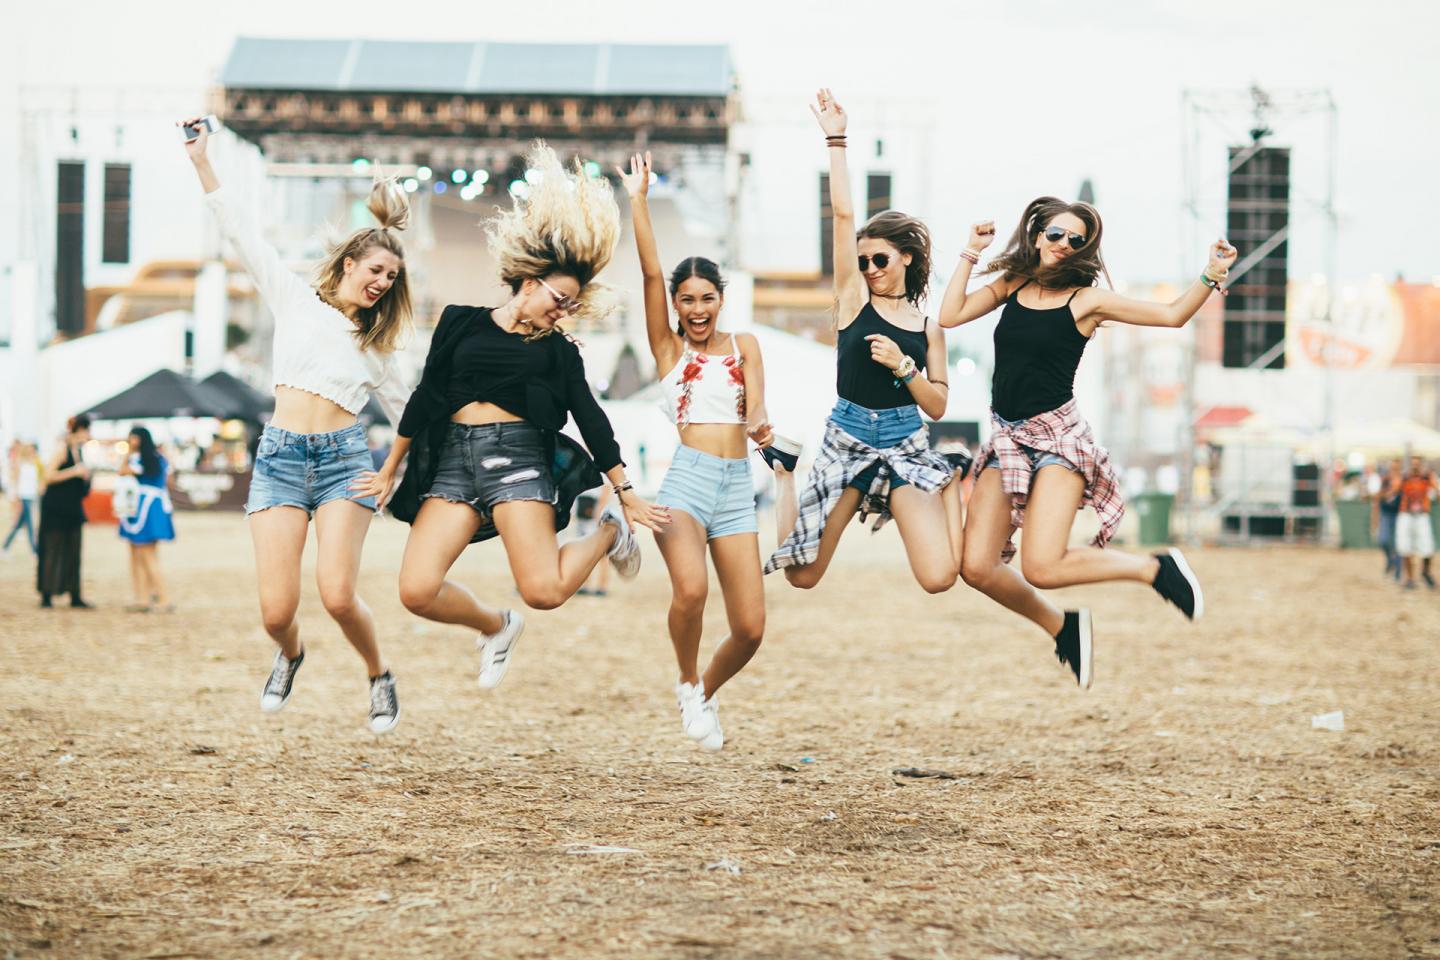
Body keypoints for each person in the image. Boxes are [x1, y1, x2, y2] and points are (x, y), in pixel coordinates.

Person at [383, 142, 669, 692]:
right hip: (453, 464)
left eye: (571, 304)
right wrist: (391, 466)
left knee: (545, 591)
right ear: (531, 280)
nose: (562, 309)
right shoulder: (459, 322)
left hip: (518, 461)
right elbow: (427, 394)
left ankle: (606, 536)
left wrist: (625, 490)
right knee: (416, 590)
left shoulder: (558, 351)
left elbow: (589, 417)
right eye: (559, 297)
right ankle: (496, 627)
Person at [938, 197, 1238, 688]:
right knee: (976, 566)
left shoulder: (1086, 300)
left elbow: (1170, 316)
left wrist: (1209, 273)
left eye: (1077, 241)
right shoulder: (1013, 283)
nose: (1064, 245)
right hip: (1009, 438)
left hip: (1059, 440)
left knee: (1042, 566)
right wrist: (970, 251)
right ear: (1037, 235)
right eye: (1056, 234)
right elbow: (950, 316)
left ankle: (1153, 568)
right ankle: (1063, 627)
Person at [181, 116, 412, 733]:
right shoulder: (293, 299)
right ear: (347, 265)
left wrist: (395, 470)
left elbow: (412, 415)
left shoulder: (379, 346)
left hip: (344, 463)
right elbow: (239, 232)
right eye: (375, 272)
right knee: (275, 611)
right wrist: (204, 161)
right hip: (280, 458)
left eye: (391, 279)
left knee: (337, 594)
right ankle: (290, 654)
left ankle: (378, 674)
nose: (382, 284)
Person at [767, 89, 965, 596]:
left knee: (940, 577)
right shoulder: (853, 303)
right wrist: (836, 140)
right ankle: (785, 472)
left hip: (905, 441)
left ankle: (949, 478)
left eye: (879, 260)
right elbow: (843, 218)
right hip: (848, 435)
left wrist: (905, 368)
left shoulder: (928, 328)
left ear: (906, 259)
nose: (869, 269)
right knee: (802, 575)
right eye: (863, 262)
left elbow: (939, 405)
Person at [619, 151, 774, 751]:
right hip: (686, 482)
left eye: (707, 298)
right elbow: (651, 276)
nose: (697, 309)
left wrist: (760, 423)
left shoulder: (746, 344)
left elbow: (755, 404)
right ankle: (687, 682)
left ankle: (706, 690)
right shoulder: (668, 352)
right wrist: (639, 201)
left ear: (720, 299)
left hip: (737, 486)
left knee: (751, 628)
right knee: (690, 593)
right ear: (677, 306)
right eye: (688, 300)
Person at [116, 427, 177, 612]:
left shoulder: (140, 459)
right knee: (138, 553)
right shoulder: (160, 458)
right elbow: (170, 481)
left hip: (145, 506)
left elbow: (121, 471)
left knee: (145, 554)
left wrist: (128, 451)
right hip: (151, 505)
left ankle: (162, 597)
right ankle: (142, 597)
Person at [37, 416, 92, 608]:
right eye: (86, 430)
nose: (88, 435)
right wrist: (74, 472)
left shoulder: (80, 452)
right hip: (56, 509)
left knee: (74, 551)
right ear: (78, 430)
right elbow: (48, 476)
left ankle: (74, 593)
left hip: (72, 509)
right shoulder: (62, 450)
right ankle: (47, 593)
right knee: (53, 549)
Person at [1396, 455, 1438, 590]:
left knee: (1427, 547)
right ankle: (1410, 578)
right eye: (1413, 464)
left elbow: (1437, 491)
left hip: (1422, 515)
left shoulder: (1427, 478)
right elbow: (1393, 490)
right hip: (1406, 514)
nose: (1415, 467)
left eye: (1417, 464)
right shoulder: (1404, 478)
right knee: (1405, 547)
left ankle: (1425, 571)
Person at [3, 441, 41, 556]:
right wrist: (17, 496)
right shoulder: (21, 463)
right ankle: (35, 550)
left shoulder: (34, 463)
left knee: (19, 524)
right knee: (29, 524)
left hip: (32, 495)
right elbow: (17, 480)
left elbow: (36, 480)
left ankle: (5, 546)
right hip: (24, 495)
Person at [1373, 458, 1402, 582]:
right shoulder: (1385, 481)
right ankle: (1391, 560)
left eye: (1396, 467)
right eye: (1393, 467)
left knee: (1399, 544)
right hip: (1386, 513)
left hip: (1399, 514)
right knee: (1383, 540)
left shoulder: (1403, 481)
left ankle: (1398, 571)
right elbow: (1378, 498)